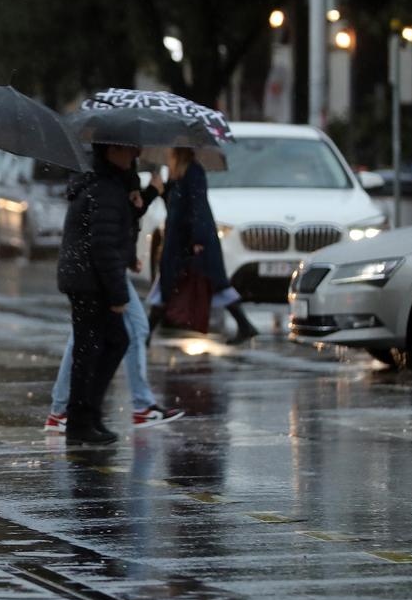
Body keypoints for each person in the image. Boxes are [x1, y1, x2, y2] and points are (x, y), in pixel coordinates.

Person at [44, 159, 185, 433]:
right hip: (99, 271)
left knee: (95, 337)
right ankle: (74, 411)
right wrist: (152, 192)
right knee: (102, 337)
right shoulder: (107, 180)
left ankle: (66, 410)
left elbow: (121, 221)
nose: (136, 151)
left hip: (102, 267)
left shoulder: (116, 176)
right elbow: (109, 228)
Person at [56, 143, 140, 446]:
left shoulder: (107, 185)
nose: (134, 154)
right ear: (111, 151)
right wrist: (118, 295)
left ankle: (86, 416)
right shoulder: (104, 189)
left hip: (87, 279)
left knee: (100, 346)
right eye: (128, 149)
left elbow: (116, 232)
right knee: (95, 348)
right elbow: (103, 247)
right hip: (89, 282)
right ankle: (80, 420)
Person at [158, 146, 258, 343]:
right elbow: (174, 206)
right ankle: (245, 325)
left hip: (191, 242)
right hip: (182, 242)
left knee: (212, 283)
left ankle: (146, 331)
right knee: (171, 283)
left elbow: (198, 206)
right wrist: (163, 190)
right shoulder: (177, 175)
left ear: (178, 152)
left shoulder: (193, 172)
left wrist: (198, 240)